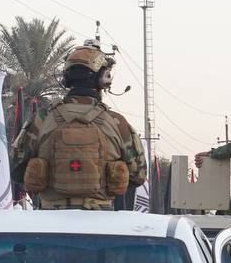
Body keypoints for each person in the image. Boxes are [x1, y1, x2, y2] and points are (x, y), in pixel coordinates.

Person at [11, 43, 147, 210]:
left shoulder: (42, 119)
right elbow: (138, 176)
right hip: (102, 218)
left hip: (49, 218)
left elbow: (17, 170)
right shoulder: (117, 123)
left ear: (66, 78)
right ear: (104, 78)